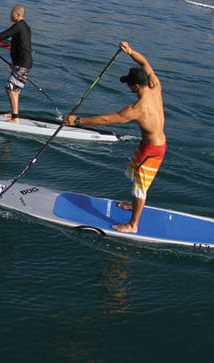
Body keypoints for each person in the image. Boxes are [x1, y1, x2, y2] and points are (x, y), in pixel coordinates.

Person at [64, 42, 166, 233]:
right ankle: (133, 204)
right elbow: (143, 61)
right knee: (135, 175)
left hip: (153, 150)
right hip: (150, 146)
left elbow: (105, 120)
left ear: (136, 86)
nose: (128, 88)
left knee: (140, 187)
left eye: (129, 85)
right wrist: (130, 51)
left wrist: (78, 121)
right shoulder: (155, 84)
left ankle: (133, 224)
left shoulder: (136, 110)